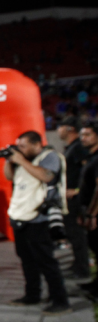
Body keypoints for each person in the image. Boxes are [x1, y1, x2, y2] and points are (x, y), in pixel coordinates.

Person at [5, 131, 71, 315]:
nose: (20, 150)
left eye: (23, 146)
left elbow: (47, 176)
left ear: (36, 144)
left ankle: (61, 301)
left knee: (46, 261)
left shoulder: (50, 156)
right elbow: (9, 177)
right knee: (26, 260)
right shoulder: (22, 159)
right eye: (19, 146)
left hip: (39, 217)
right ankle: (32, 295)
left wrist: (21, 160)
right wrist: (9, 161)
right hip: (20, 215)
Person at [59, 117, 90, 279]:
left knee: (77, 233)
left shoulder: (78, 147)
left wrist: (77, 190)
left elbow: (89, 170)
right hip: (70, 198)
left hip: (76, 199)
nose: (58, 131)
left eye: (60, 127)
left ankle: (83, 268)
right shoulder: (73, 147)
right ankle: (78, 264)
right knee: (72, 233)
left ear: (69, 128)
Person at [77, 122, 98, 300]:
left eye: (87, 135)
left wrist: (92, 214)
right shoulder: (91, 157)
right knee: (95, 250)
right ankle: (96, 284)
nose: (83, 138)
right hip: (89, 210)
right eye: (82, 134)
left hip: (96, 213)